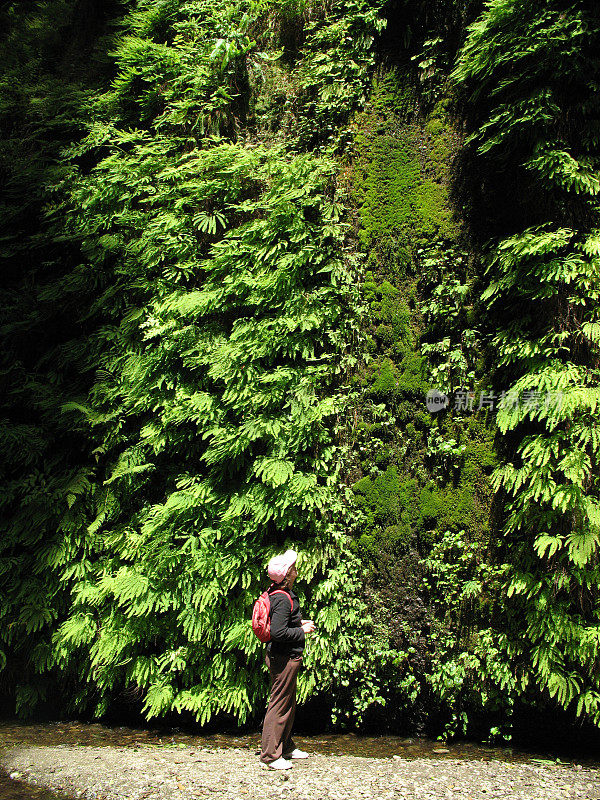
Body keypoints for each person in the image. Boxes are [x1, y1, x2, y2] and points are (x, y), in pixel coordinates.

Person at [259, 549, 316, 770]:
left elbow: (281, 627)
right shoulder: (282, 599)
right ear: (287, 574)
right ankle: (271, 755)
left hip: (285, 656)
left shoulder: (278, 593)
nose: (296, 569)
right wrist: (303, 631)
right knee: (279, 704)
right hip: (283, 657)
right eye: (292, 568)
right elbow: (278, 633)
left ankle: (286, 746)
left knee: (288, 702)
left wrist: (298, 626)